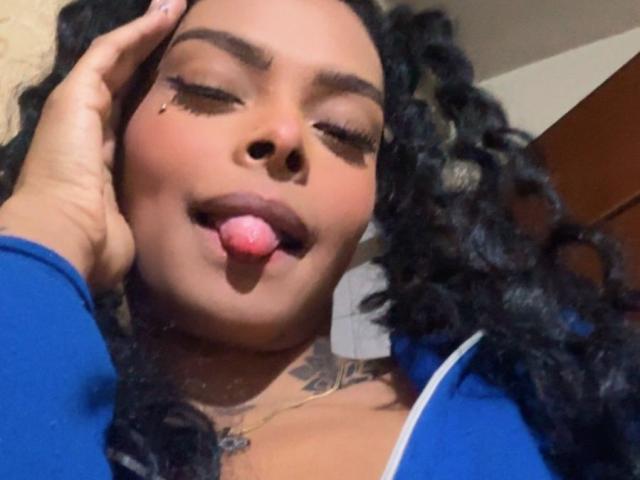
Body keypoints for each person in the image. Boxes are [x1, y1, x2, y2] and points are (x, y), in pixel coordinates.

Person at [1, 0, 639, 478]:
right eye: (211, 88)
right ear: (109, 132)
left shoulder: (545, 393)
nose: (284, 136)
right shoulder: (37, 388)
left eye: (343, 130)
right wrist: (48, 220)